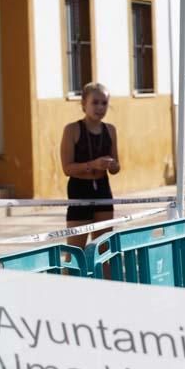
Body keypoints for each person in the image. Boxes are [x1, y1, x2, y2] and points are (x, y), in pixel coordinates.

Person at [59, 82, 120, 249]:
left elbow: (116, 167)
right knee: (75, 251)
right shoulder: (71, 129)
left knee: (104, 250)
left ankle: (104, 276)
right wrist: (92, 165)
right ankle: (71, 277)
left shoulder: (110, 130)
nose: (100, 107)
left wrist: (112, 165)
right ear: (83, 104)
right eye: (95, 102)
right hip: (79, 190)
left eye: (104, 103)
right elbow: (67, 168)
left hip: (102, 188)